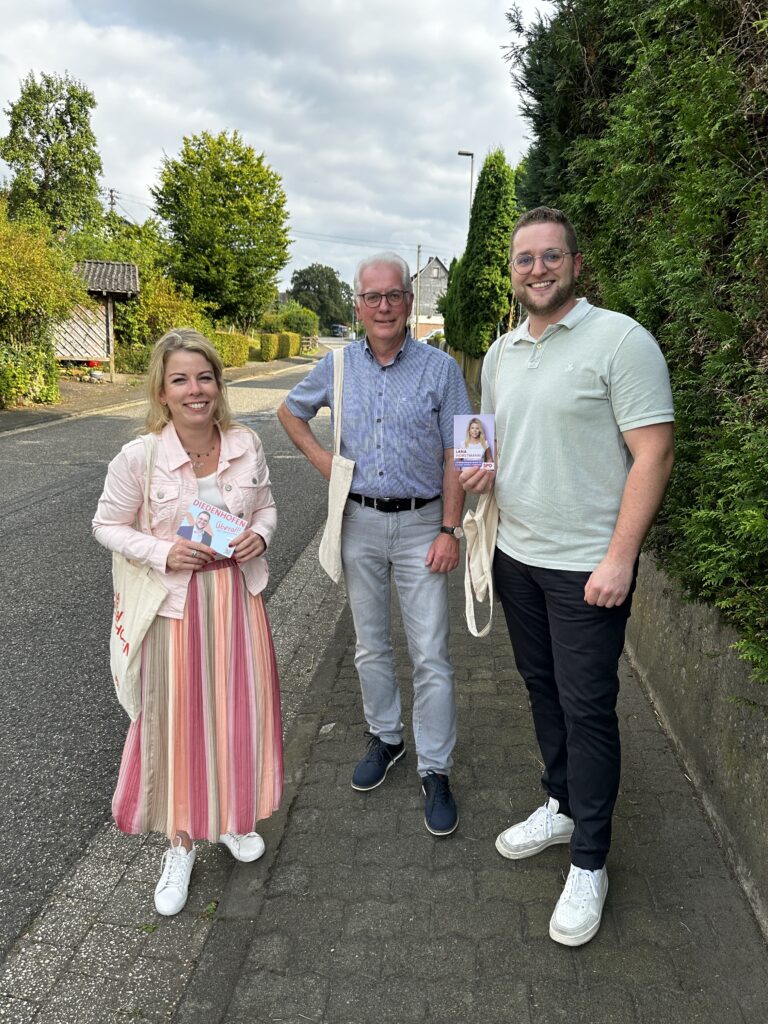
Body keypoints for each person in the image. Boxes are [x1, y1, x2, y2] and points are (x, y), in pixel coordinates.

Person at [461, 207, 674, 946]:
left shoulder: (621, 340)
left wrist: (620, 557)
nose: (537, 269)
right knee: (542, 689)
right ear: (513, 272)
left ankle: (591, 859)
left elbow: (653, 453)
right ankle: (559, 803)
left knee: (588, 708)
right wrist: (477, 479)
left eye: (551, 256)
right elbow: (490, 448)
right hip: (517, 558)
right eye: (525, 259)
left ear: (575, 264)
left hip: (588, 570)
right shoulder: (500, 353)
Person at [277, 252, 471, 836]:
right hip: (357, 522)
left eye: (393, 295)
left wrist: (450, 529)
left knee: (431, 653)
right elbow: (291, 413)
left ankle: (436, 767)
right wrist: (324, 463)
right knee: (369, 644)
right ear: (357, 304)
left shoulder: (441, 371)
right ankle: (386, 738)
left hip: (423, 527)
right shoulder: (337, 368)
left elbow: (461, 453)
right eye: (372, 297)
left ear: (410, 303)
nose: (383, 306)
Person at [93, 328, 283, 916]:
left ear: (219, 385)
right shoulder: (139, 456)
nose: (195, 390)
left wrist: (261, 535)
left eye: (204, 377)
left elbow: (268, 505)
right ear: (163, 390)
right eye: (180, 379)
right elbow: (106, 526)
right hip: (174, 607)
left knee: (234, 716)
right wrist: (161, 552)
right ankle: (179, 840)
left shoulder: (246, 442)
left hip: (235, 601)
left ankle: (225, 817)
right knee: (178, 722)